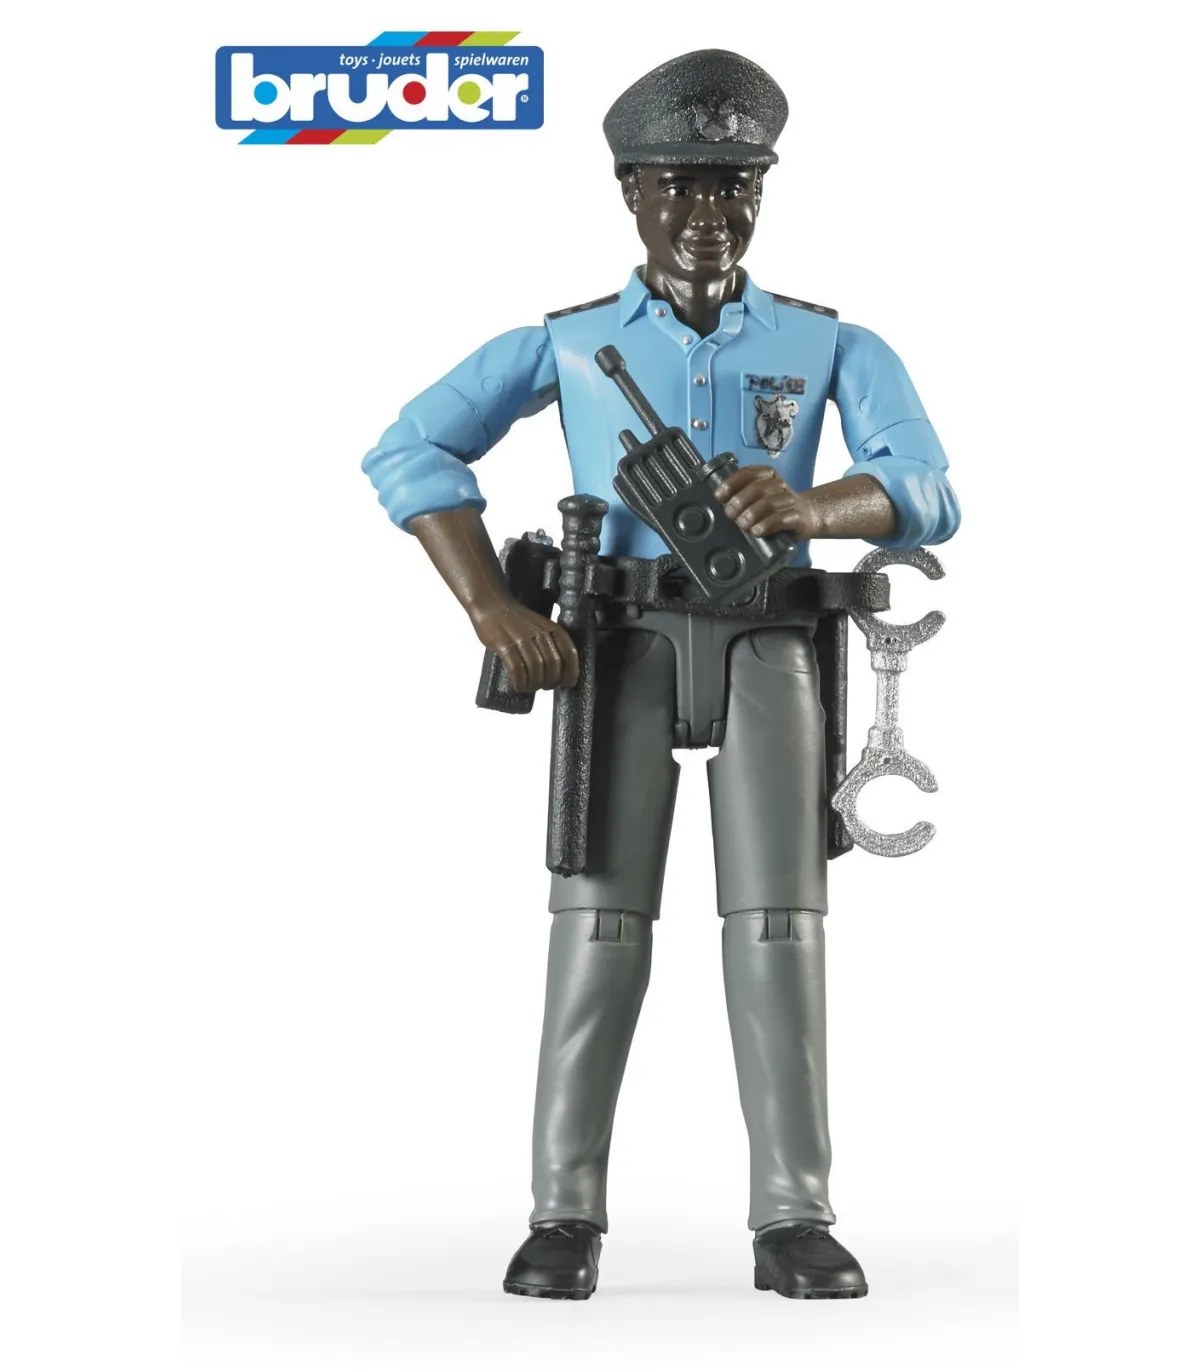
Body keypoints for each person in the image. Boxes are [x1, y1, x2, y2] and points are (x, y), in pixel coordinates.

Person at [363, 49, 960, 1301]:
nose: (707, 211)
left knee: (782, 927)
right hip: (617, 648)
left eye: (734, 185)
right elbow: (411, 448)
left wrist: (813, 506)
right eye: (680, 185)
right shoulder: (572, 344)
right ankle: (562, 1212)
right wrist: (489, 604)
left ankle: (794, 1214)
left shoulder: (829, 342)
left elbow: (926, 488)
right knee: (598, 924)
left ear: (762, 193)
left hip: (768, 646)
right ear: (631, 192)